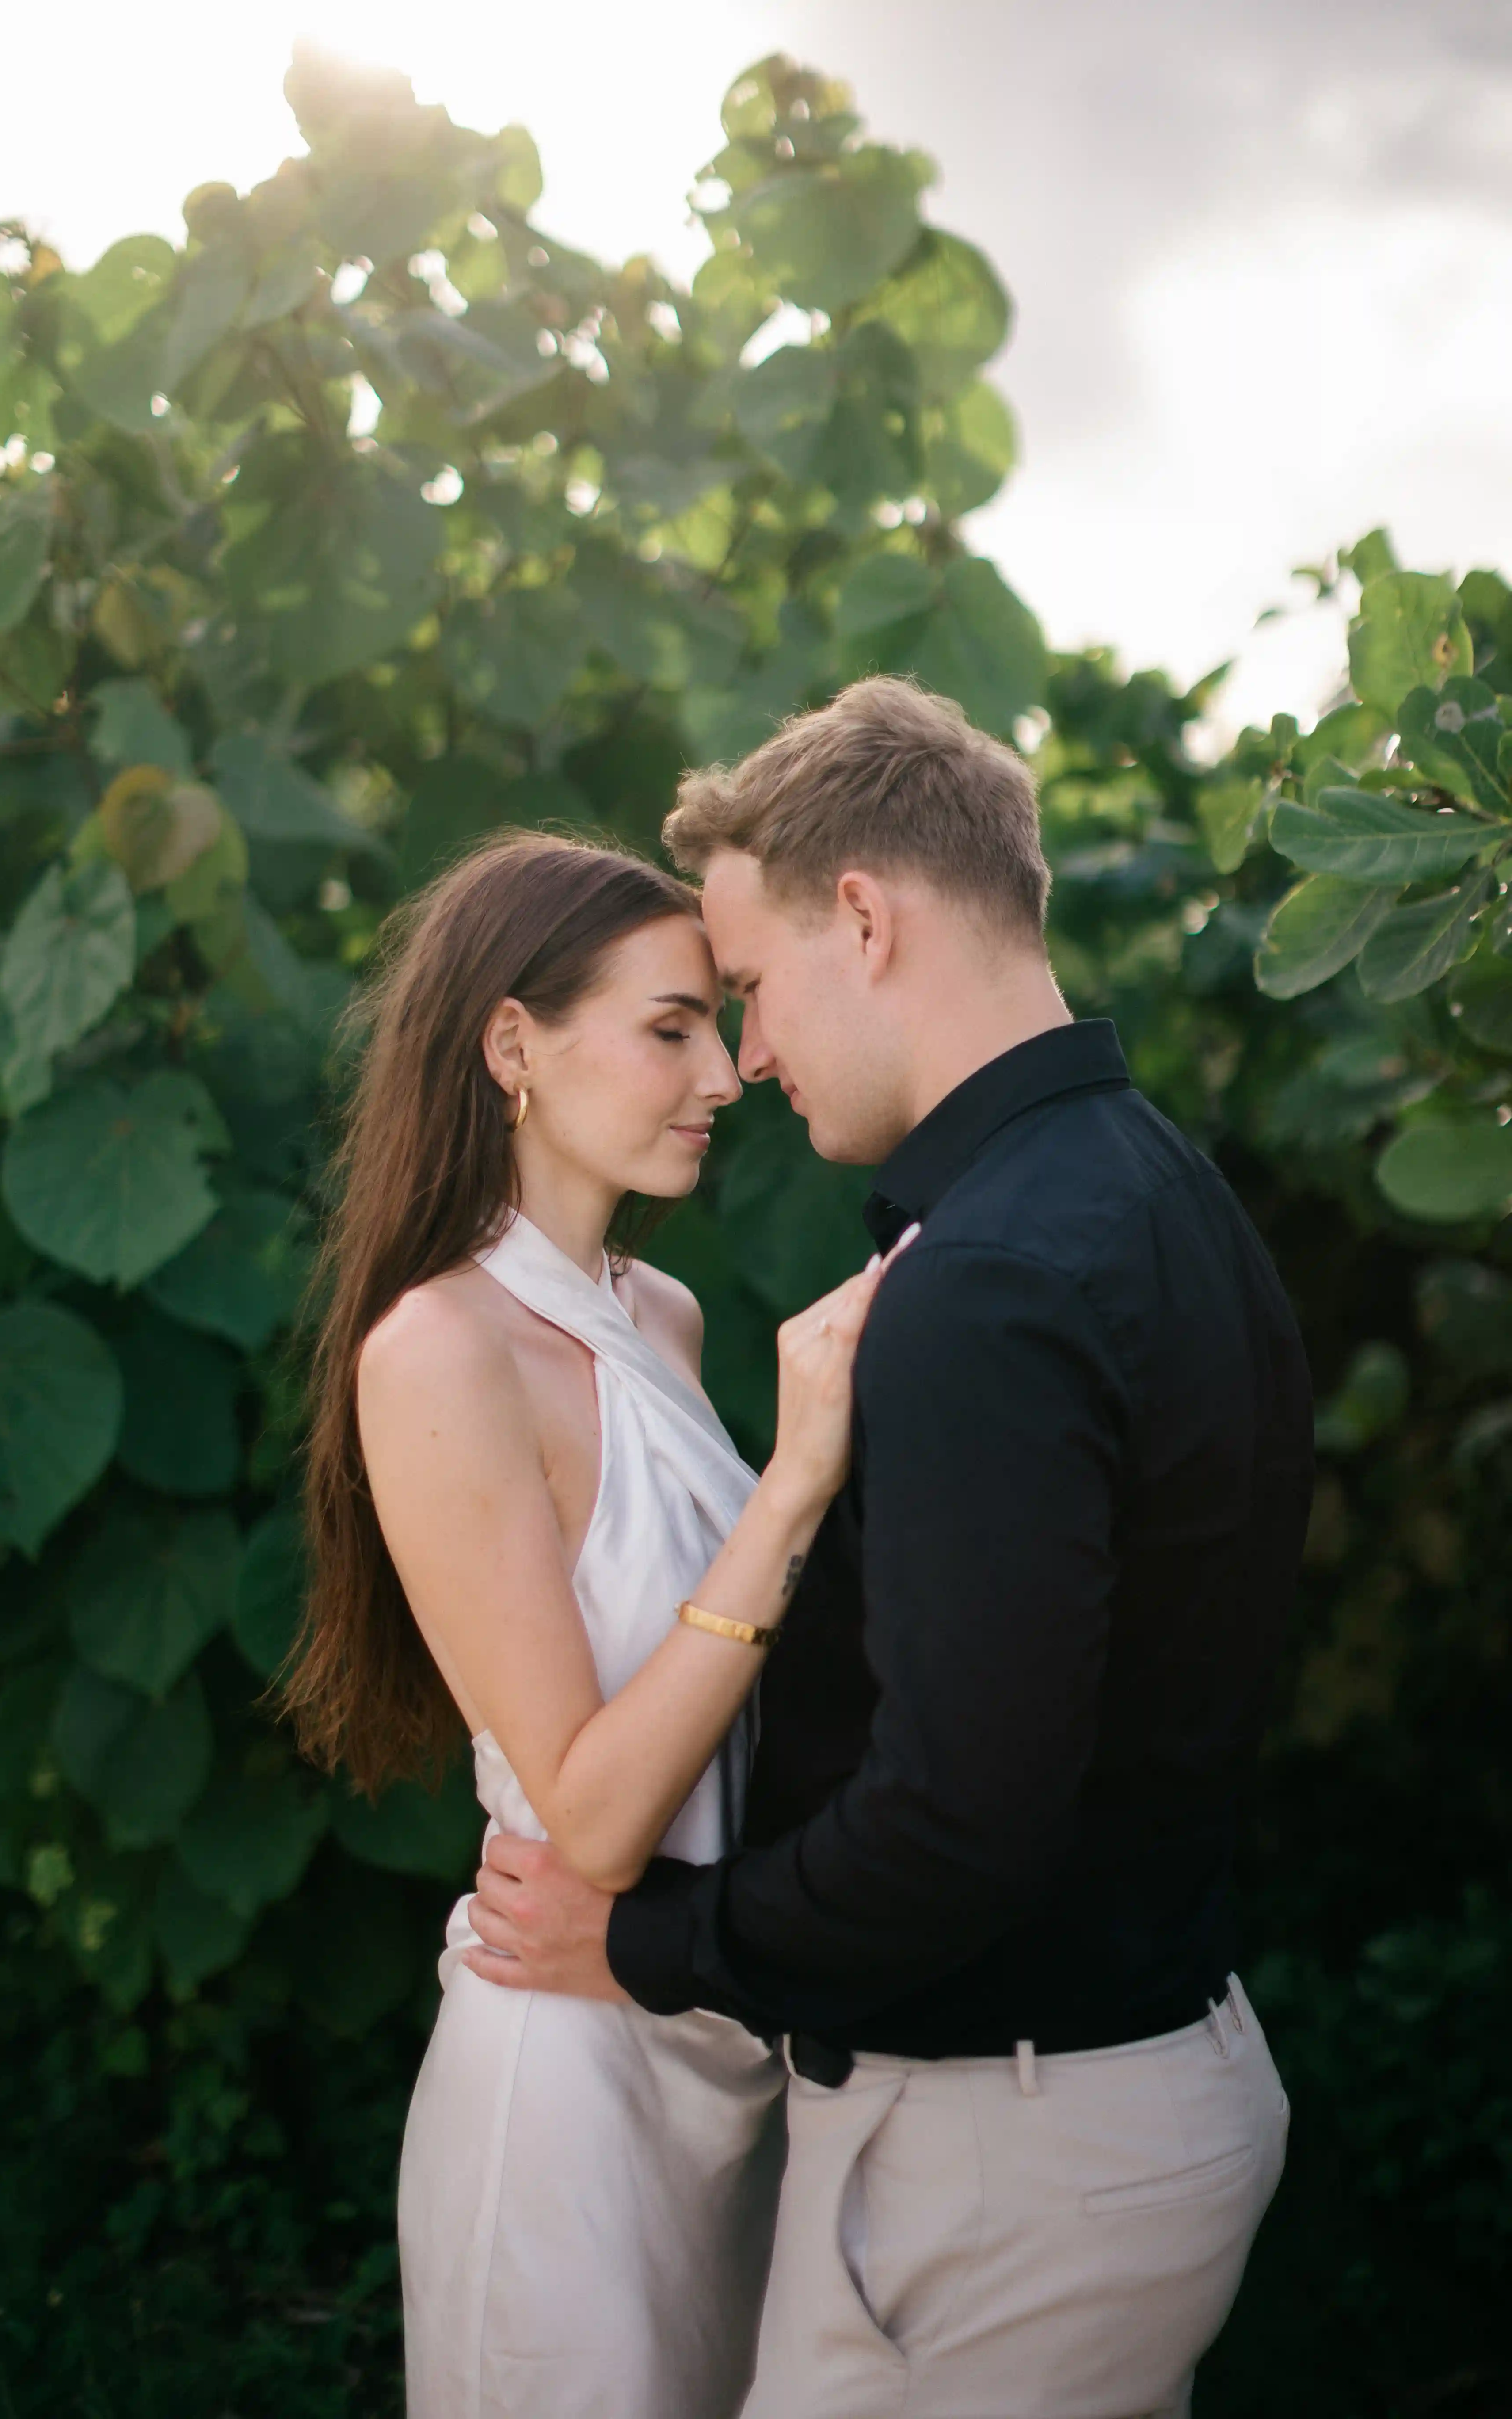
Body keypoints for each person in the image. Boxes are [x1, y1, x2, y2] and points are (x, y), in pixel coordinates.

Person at [465, 677, 1318, 2419]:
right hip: (1100, 2094)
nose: (750, 1058)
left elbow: (957, 1822)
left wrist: (644, 1946)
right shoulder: (1155, 1186)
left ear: (865, 917)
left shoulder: (992, 1280)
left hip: (1023, 2152)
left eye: (757, 993)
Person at [280, 829, 912, 2419]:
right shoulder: (436, 1353)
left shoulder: (664, 1315)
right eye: (669, 1027)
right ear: (514, 1046)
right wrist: (795, 1481)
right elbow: (601, 1815)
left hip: (711, 2045)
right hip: (564, 2087)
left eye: (719, 1021)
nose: (724, 1070)